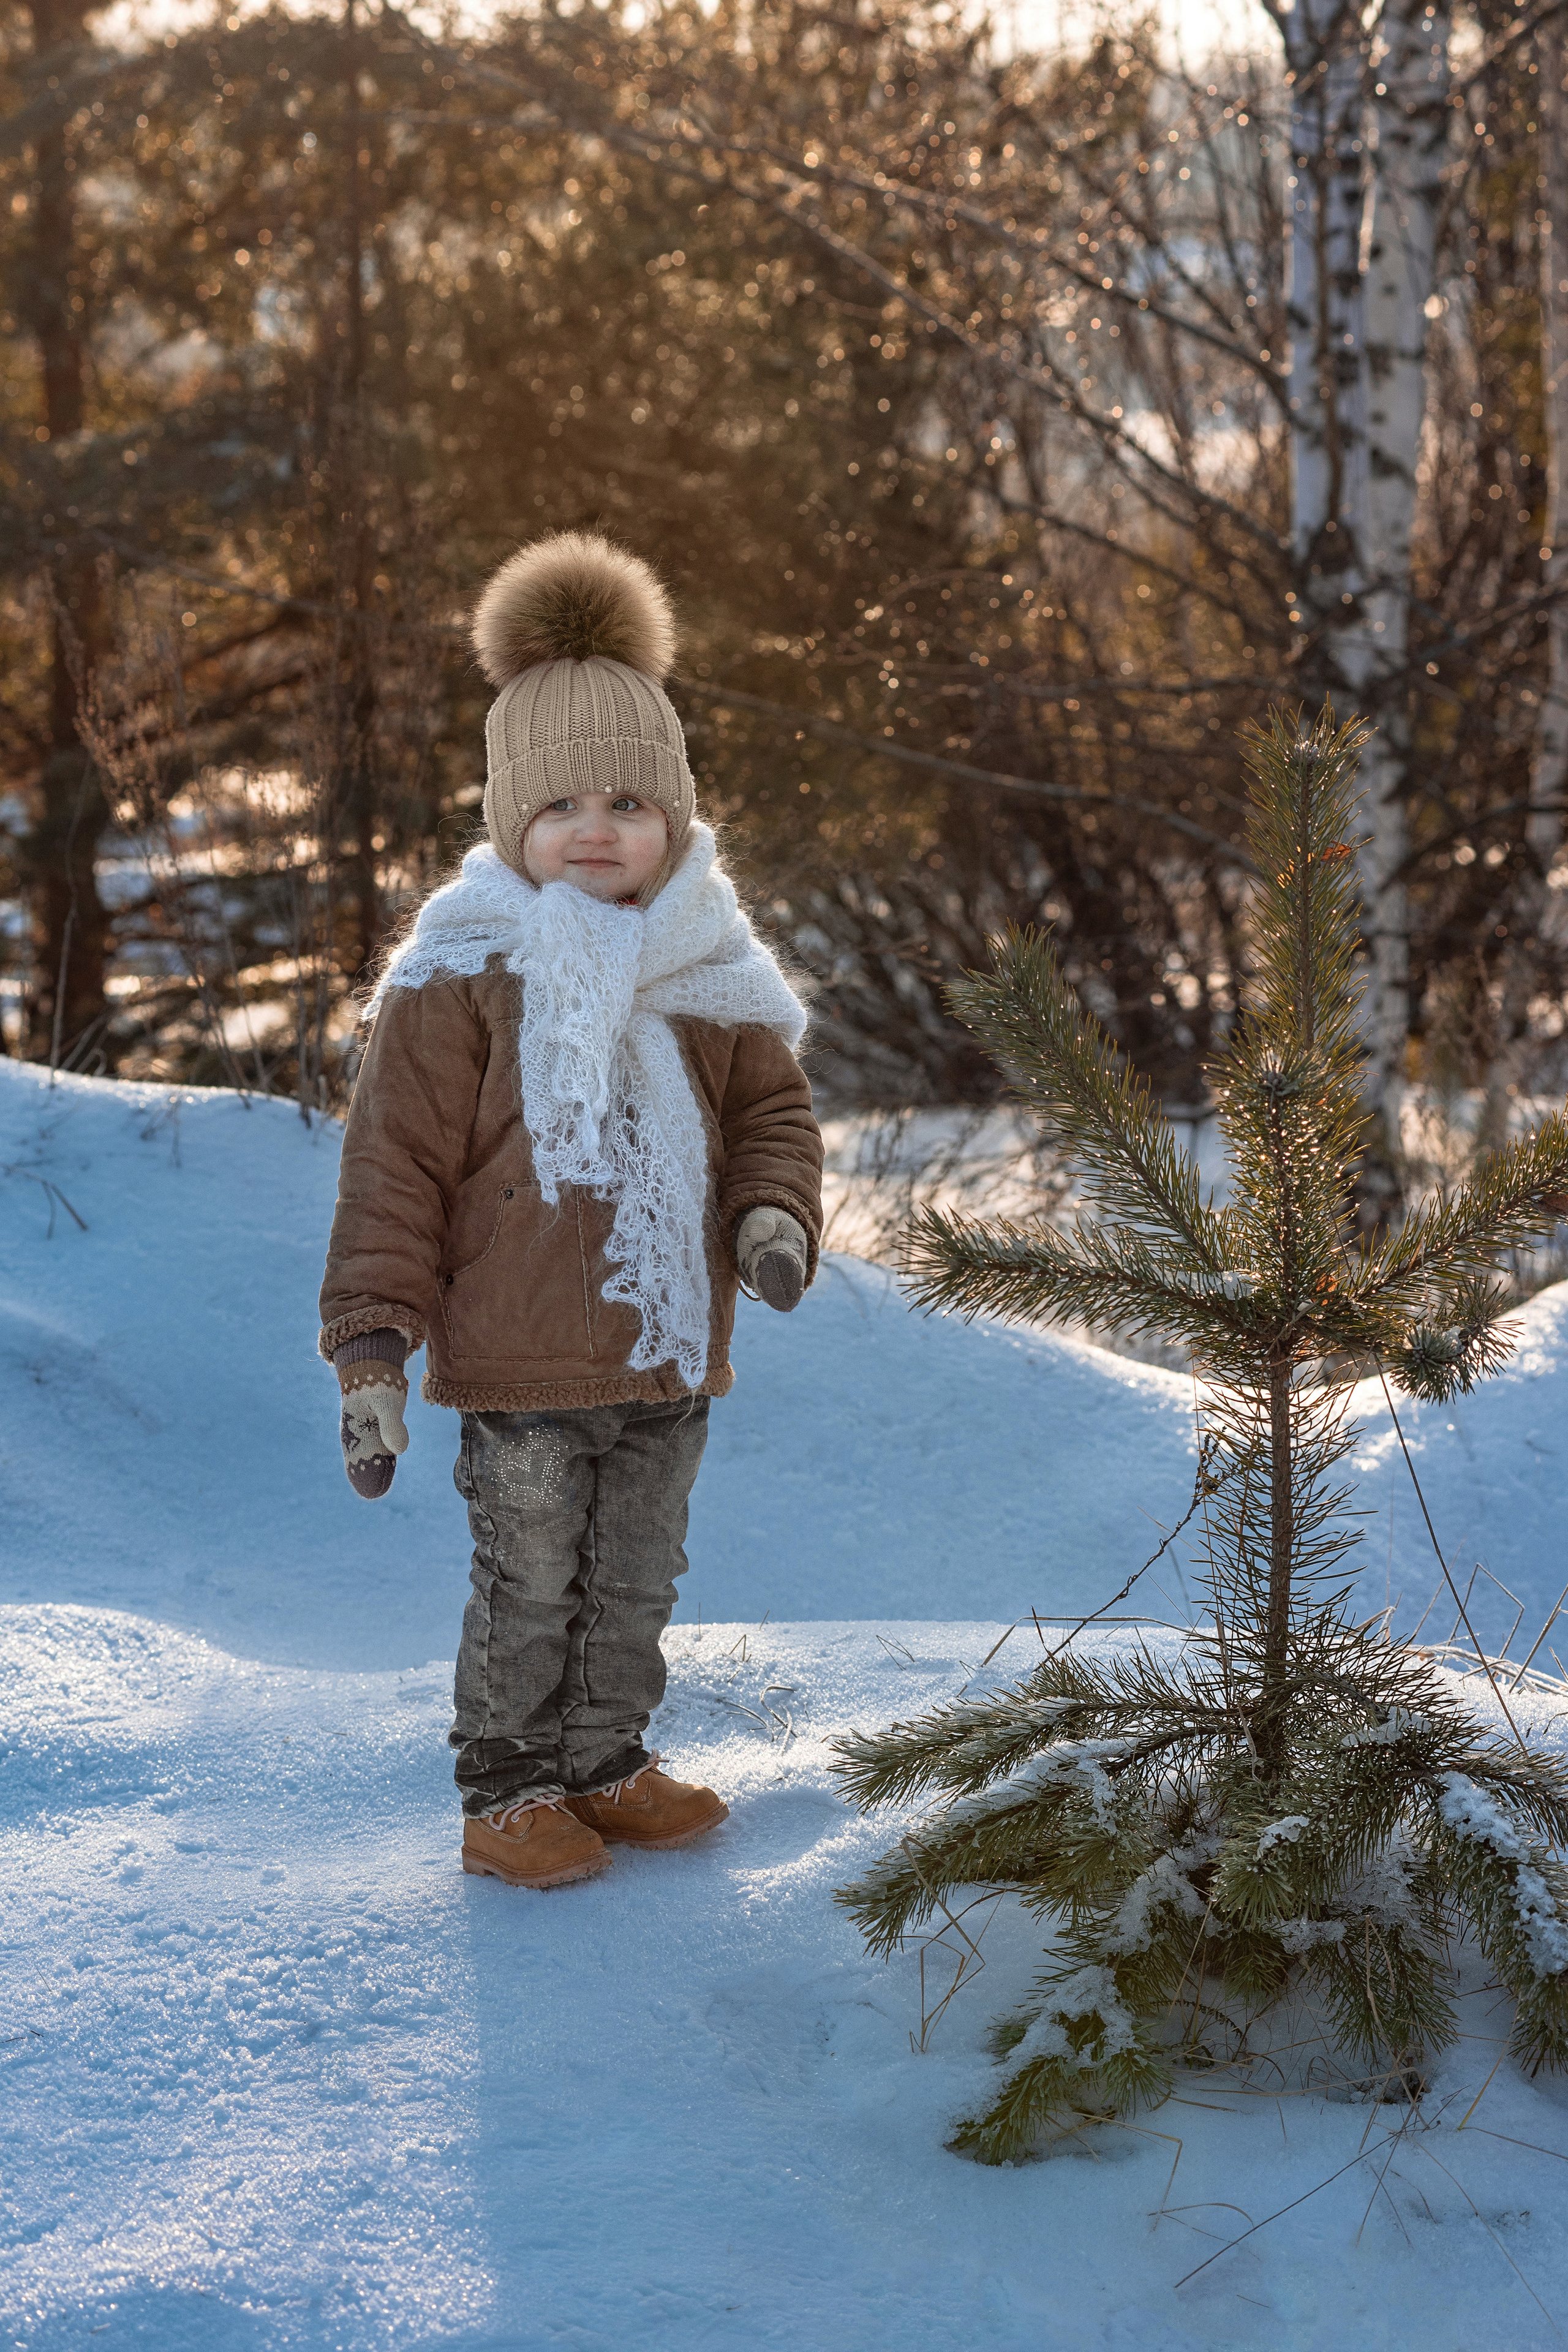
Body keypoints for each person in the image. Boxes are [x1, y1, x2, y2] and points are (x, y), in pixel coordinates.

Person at [318, 531, 824, 1891]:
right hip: (518, 1369)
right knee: (531, 1584)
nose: (595, 830)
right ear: (507, 823)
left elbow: (772, 1119)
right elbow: (395, 1173)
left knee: (635, 1584)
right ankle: (507, 1789)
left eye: (628, 802)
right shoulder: (457, 976)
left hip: (666, 1357)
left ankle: (602, 1762)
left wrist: (771, 1219)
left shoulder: (711, 968)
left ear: (675, 818)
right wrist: (374, 1351)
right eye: (560, 809)